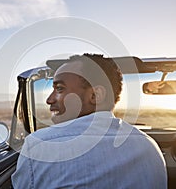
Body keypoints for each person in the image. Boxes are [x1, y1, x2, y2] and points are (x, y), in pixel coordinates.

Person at [11, 53, 167, 188]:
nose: (49, 99)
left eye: (59, 89)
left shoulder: (39, 146)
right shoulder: (149, 148)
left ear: (95, 95)